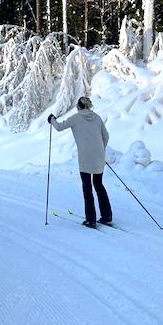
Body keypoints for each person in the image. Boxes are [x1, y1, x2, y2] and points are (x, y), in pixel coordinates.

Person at [48, 96, 112, 229]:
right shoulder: (97, 118)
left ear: (79, 106)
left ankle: (91, 220)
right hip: (98, 155)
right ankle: (106, 216)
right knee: (99, 185)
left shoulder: (76, 118)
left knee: (87, 187)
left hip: (85, 157)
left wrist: (52, 119)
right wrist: (100, 149)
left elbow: (59, 127)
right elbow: (106, 136)